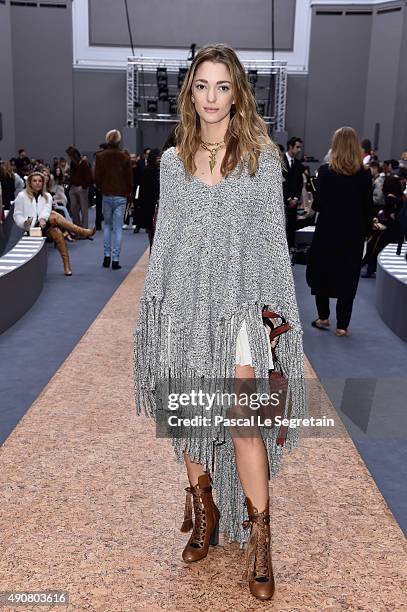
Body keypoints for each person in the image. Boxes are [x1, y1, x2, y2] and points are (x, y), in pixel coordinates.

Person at [133, 43, 306, 601]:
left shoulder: (262, 160)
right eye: (201, 86)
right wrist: (156, 319)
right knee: (188, 419)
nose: (211, 98)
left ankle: (260, 540)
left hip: (238, 315)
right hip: (185, 311)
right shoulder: (171, 163)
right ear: (190, 92)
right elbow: (166, 249)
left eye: (222, 86)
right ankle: (203, 509)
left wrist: (276, 323)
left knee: (242, 424)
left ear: (238, 93)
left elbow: (273, 250)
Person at [306, 127, 373, 336]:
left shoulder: (325, 172)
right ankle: (342, 326)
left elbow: (318, 205)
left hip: (327, 231)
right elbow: (368, 206)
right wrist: (367, 230)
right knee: (348, 275)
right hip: (353, 233)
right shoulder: (364, 173)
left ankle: (323, 317)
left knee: (323, 272)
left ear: (334, 145)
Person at [13, 171, 95, 276]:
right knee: (54, 215)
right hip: (30, 225)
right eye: (34, 181)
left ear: (43, 183)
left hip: (45, 225)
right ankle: (81, 231)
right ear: (29, 182)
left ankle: (67, 266)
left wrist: (42, 219)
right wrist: (26, 223)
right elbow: (17, 215)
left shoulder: (47, 196)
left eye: (40, 181)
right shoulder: (22, 196)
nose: (37, 183)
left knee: (58, 233)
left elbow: (46, 211)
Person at [94, 129, 132, 270]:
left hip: (107, 194)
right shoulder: (124, 157)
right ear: (119, 141)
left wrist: (101, 188)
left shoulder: (100, 156)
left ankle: (106, 257)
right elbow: (129, 179)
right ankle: (116, 260)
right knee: (118, 229)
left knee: (107, 227)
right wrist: (129, 194)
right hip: (121, 195)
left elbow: (97, 177)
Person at [137, 148, 161, 251]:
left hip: (159, 206)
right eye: (157, 157)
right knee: (152, 235)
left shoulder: (163, 171)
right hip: (150, 207)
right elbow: (142, 190)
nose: (159, 159)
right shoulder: (147, 171)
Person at [282, 136, 304, 250]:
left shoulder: (298, 165)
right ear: (290, 147)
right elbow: (280, 183)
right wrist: (288, 199)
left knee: (291, 226)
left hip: (293, 203)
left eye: (300, 147)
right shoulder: (280, 161)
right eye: (297, 147)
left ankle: (291, 248)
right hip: (282, 201)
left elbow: (299, 184)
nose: (299, 150)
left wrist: (295, 198)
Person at [66, 146, 93, 230]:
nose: (69, 157)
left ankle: (84, 230)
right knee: (73, 208)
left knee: (84, 209)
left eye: (69, 155)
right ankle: (77, 229)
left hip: (82, 188)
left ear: (74, 155)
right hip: (73, 187)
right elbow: (72, 175)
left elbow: (89, 178)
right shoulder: (72, 163)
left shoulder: (83, 163)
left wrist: (83, 186)